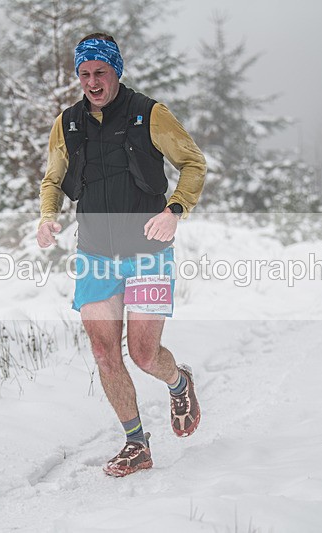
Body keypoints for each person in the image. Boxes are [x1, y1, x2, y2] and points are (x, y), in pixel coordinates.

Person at [37, 33, 207, 477]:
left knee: (144, 354)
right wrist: (47, 217)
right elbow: (53, 180)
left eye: (101, 72)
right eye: (85, 73)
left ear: (117, 71)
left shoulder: (150, 114)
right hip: (95, 251)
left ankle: (178, 381)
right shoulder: (67, 122)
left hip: (148, 248)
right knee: (103, 350)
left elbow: (193, 163)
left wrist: (175, 210)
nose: (92, 81)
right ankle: (136, 443)